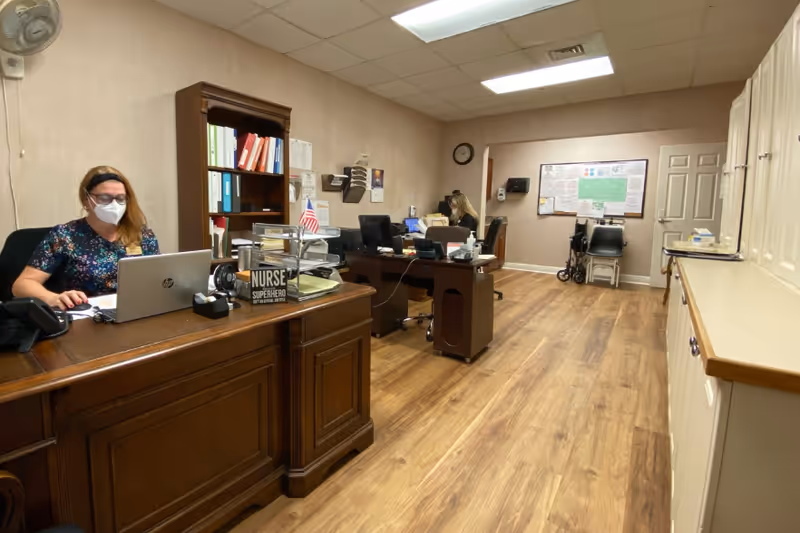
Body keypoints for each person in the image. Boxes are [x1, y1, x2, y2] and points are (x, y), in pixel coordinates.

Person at [12, 166, 160, 310]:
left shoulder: (142, 235)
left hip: (135, 311)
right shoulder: (65, 235)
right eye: (104, 198)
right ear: (86, 199)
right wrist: (53, 298)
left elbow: (157, 279)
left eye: (120, 198)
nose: (114, 204)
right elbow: (22, 285)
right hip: (87, 317)